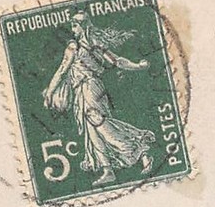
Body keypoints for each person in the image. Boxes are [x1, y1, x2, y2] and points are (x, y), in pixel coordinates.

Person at [42, 12, 155, 186]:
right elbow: (117, 61)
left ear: (83, 26)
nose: (73, 29)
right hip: (88, 89)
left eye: (75, 25)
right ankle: (108, 170)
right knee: (94, 130)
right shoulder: (95, 44)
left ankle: (139, 149)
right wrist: (137, 66)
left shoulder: (76, 47)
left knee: (101, 126)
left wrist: (50, 92)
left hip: (89, 88)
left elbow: (62, 70)